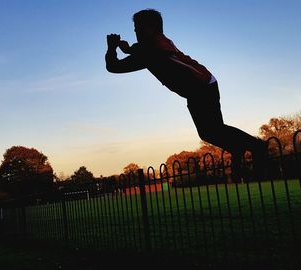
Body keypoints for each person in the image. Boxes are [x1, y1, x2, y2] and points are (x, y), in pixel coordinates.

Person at [105, 9, 267, 181]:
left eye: (138, 28)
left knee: (212, 130)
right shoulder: (156, 43)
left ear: (150, 28)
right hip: (201, 84)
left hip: (201, 86)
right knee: (209, 132)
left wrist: (111, 48)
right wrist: (126, 49)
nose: (135, 32)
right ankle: (239, 149)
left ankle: (256, 146)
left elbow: (114, 67)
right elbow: (137, 50)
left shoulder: (151, 51)